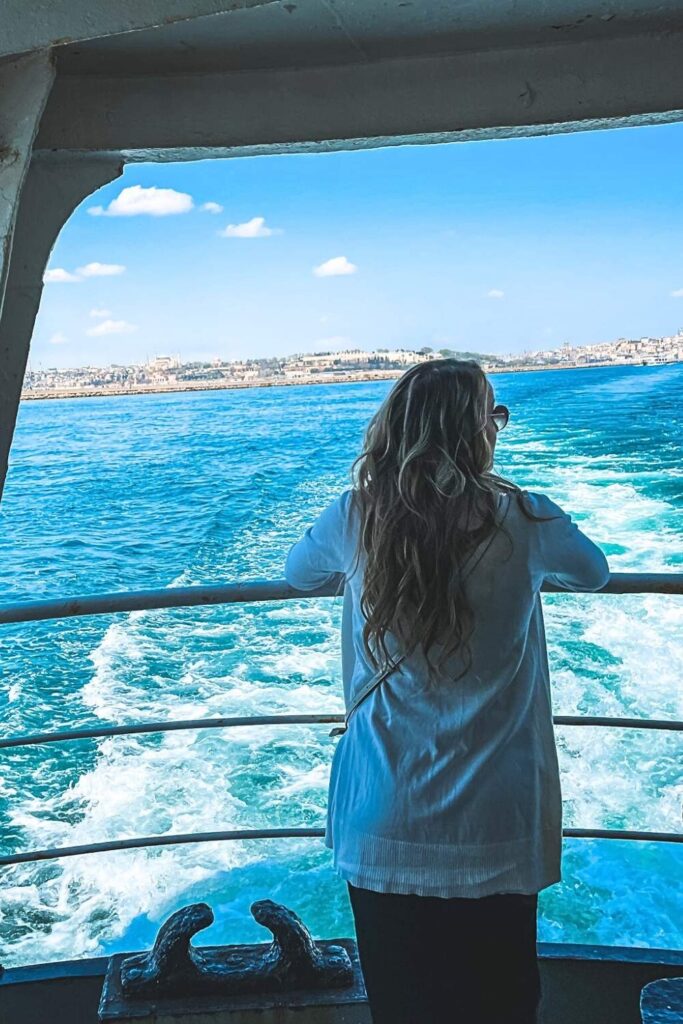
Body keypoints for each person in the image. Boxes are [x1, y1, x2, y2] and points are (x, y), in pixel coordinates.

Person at [284, 359, 609, 1024]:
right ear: (476, 433)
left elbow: (297, 574)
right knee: (503, 1003)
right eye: (493, 415)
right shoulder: (527, 520)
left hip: (385, 819)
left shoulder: (356, 516)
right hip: (496, 821)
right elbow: (594, 573)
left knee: (403, 1006)